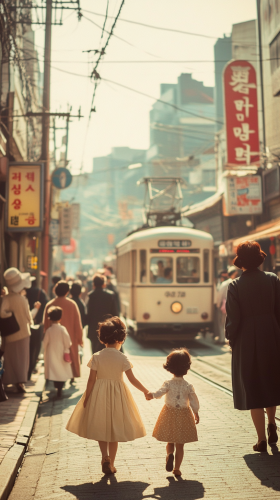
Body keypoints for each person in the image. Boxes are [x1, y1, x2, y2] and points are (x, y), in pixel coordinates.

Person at [66, 317, 148, 474]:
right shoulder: (122, 358)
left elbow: (91, 380)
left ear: (103, 339)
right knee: (115, 430)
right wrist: (145, 391)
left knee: (101, 427)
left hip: (99, 394)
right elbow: (132, 379)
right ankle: (112, 463)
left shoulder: (97, 356)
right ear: (120, 339)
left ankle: (104, 457)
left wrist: (87, 397)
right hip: (118, 396)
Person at [225, 241, 280, 452]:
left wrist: (231, 339)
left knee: (253, 387)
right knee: (270, 381)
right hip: (272, 336)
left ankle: (261, 440)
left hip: (246, 340)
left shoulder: (235, 285)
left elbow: (233, 319)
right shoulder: (272, 280)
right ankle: (272, 423)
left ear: (240, 261)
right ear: (259, 258)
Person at [146, 348, 199, 477]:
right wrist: (196, 412)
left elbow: (159, 393)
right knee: (180, 445)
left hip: (169, 413)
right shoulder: (188, 385)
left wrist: (151, 395)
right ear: (187, 366)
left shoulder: (168, 383)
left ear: (169, 366)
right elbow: (193, 401)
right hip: (184, 414)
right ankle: (177, 469)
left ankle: (170, 454)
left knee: (170, 441)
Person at [1, 268, 33, 393]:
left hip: (9, 334)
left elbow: (2, 313)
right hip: (24, 332)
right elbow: (28, 317)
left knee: (10, 359)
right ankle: (20, 382)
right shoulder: (22, 299)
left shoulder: (6, 299)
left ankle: (8, 380)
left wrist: (10, 316)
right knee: (22, 359)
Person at [43, 281, 83, 382]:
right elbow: (77, 324)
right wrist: (79, 338)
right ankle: (72, 375)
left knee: (54, 358)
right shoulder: (72, 304)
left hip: (53, 337)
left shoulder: (50, 304)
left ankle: (53, 377)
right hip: (70, 336)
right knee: (71, 356)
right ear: (67, 291)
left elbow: (46, 324)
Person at [43, 306, 72, 398]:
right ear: (60, 318)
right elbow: (68, 342)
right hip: (62, 353)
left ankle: (57, 387)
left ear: (50, 318)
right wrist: (66, 348)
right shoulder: (62, 329)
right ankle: (60, 389)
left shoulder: (49, 330)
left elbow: (44, 343)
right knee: (61, 370)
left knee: (54, 371)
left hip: (51, 354)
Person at [86, 274, 118, 354]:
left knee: (95, 353)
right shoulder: (110, 295)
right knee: (107, 353)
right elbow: (115, 313)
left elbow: (88, 314)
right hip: (108, 329)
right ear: (104, 283)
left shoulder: (91, 296)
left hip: (94, 329)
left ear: (93, 284)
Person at [26, 276, 48, 379]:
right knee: (35, 348)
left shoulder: (24, 293)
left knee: (27, 349)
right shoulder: (41, 292)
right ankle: (31, 369)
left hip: (26, 325)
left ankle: (26, 370)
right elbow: (45, 308)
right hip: (38, 323)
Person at [216, 266, 239, 344]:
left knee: (222, 323)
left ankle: (222, 339)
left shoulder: (225, 283)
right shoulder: (238, 282)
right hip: (234, 306)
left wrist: (218, 304)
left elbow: (220, 294)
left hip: (224, 306)